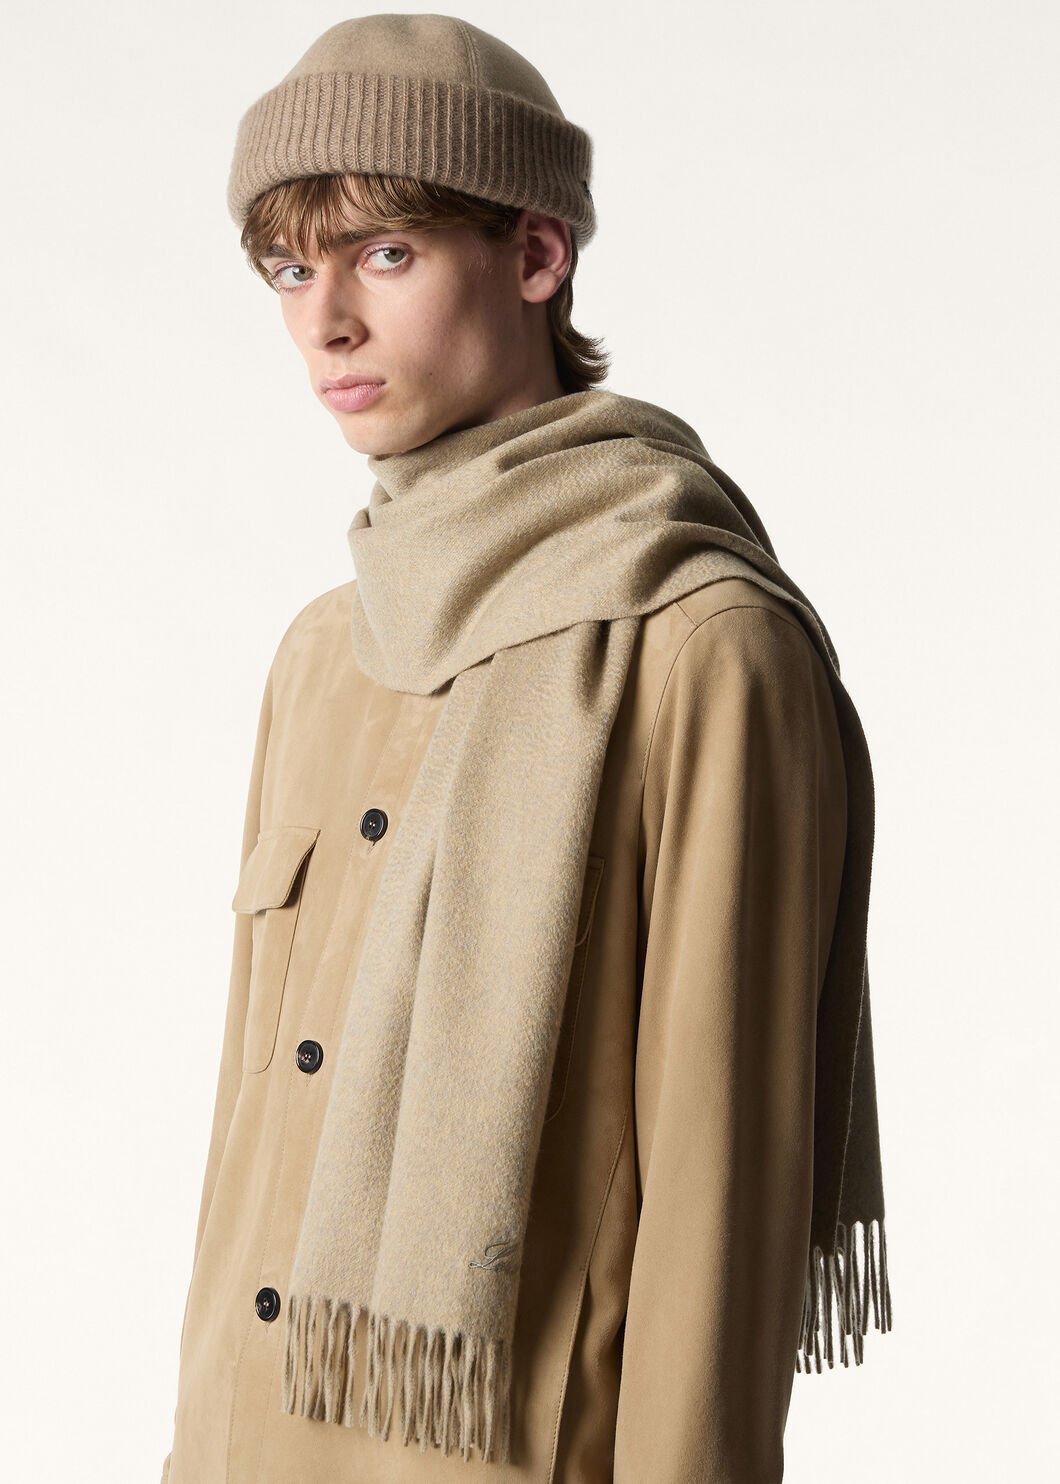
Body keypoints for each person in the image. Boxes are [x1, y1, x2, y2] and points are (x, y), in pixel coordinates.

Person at [160, 14, 891, 1483]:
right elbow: (255, 1135)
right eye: (290, 270)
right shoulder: (324, 653)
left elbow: (721, 1196)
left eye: (384, 253)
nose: (325, 322)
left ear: (537, 254)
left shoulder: (701, 646)